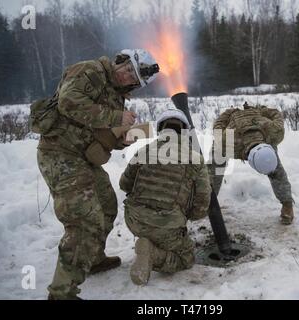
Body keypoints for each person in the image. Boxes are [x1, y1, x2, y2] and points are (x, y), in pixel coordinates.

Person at [36, 49, 160, 299]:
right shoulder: (89, 70)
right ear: (121, 59)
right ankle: (61, 293)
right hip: (60, 155)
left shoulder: (117, 95)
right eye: (127, 70)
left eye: (132, 77)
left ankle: (92, 258)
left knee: (106, 205)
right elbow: (68, 102)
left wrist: (123, 137)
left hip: (83, 157)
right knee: (84, 221)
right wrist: (116, 117)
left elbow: (100, 130)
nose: (126, 77)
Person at [119, 109, 211, 286]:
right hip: (166, 226)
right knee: (186, 259)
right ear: (184, 131)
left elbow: (124, 184)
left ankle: (148, 243)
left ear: (160, 128)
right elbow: (202, 203)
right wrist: (185, 217)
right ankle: (153, 253)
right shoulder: (195, 159)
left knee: (159, 232)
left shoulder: (144, 151)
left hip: (134, 221)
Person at [210, 102, 294, 225]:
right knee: (215, 166)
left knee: (276, 170)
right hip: (234, 129)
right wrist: (228, 114)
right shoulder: (227, 142)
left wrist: (262, 111)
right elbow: (218, 127)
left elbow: (276, 113)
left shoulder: (275, 133)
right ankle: (209, 202)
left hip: (264, 132)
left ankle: (287, 204)